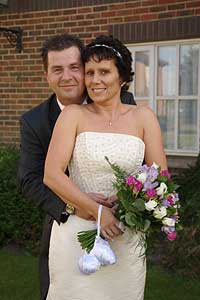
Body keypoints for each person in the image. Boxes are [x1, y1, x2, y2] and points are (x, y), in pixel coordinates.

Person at [43, 35, 167, 300]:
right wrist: (98, 211)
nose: (94, 80)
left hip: (125, 234)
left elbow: (159, 177)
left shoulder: (144, 117)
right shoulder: (73, 115)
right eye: (89, 73)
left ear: (122, 77)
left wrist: (125, 206)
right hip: (77, 233)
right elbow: (52, 175)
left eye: (104, 72)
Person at [18, 33, 136, 300]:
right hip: (65, 223)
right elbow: (29, 180)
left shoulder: (123, 103)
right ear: (46, 75)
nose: (68, 76)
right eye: (57, 69)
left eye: (74, 67)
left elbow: (138, 161)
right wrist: (77, 206)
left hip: (119, 221)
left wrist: (127, 201)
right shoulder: (34, 121)